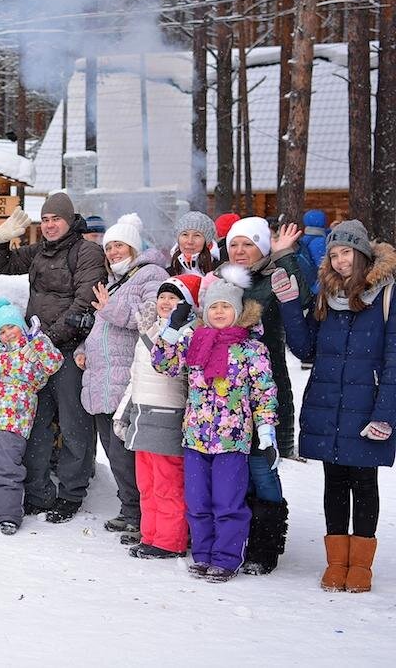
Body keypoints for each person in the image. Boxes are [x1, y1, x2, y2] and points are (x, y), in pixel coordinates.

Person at [275, 220, 395, 593]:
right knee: (335, 483)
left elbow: (394, 360)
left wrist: (384, 415)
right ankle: (336, 563)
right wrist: (291, 304)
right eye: (335, 255)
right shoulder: (327, 295)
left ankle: (360, 566)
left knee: (364, 481)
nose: (341, 261)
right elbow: (306, 349)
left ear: (361, 254)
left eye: (346, 253)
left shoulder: (388, 295)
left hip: (368, 405)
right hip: (328, 403)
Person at [151, 265, 278, 582]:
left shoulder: (250, 348)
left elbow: (265, 391)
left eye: (226, 306)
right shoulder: (194, 340)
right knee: (197, 501)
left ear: (237, 310)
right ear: (205, 311)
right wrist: (170, 329)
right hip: (195, 437)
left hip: (232, 441)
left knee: (228, 502)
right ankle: (204, 554)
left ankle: (226, 558)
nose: (219, 312)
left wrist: (266, 430)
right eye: (214, 307)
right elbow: (163, 364)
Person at [0, 193, 105, 522]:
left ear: (69, 221)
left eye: (57, 219)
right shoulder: (40, 250)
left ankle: (71, 492)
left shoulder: (87, 252)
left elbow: (84, 301)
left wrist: (48, 340)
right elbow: (4, 265)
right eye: (46, 220)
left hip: (67, 351)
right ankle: (38, 491)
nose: (50, 225)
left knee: (73, 424)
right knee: (36, 422)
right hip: (36, 352)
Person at [75, 213, 168, 538]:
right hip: (102, 380)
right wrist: (82, 351)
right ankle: (128, 509)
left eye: (120, 244)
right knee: (114, 453)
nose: (113, 251)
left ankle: (140, 514)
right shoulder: (117, 279)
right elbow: (103, 327)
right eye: (110, 246)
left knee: (125, 453)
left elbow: (150, 318)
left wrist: (109, 308)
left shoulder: (151, 274)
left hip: (127, 382)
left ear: (133, 245)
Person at [226, 216, 308, 573]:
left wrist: (284, 256)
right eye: (234, 244)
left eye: (248, 244)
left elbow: (300, 295)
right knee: (236, 470)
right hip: (228, 397)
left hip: (265, 390)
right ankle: (240, 538)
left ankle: (266, 544)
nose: (240, 251)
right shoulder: (223, 282)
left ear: (261, 246)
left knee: (262, 467)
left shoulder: (272, 277)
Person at [113, 275, 201, 558]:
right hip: (142, 415)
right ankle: (151, 534)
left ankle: (169, 541)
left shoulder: (186, 334)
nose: (165, 302)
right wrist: (123, 413)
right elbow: (135, 377)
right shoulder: (153, 331)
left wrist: (166, 332)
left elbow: (169, 368)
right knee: (147, 485)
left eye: (173, 298)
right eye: (162, 296)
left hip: (167, 416)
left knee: (167, 485)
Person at [0, 298, 63, 535]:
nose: (8, 333)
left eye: (11, 326)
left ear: (21, 326)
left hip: (14, 418)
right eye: (2, 330)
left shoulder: (32, 349)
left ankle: (9, 514)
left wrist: (38, 339)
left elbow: (54, 363)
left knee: (7, 466)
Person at [169, 211, 219, 277]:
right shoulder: (168, 273)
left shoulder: (217, 272)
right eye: (185, 234)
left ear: (207, 241)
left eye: (197, 235)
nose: (190, 241)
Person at [297, 209, 328, 295]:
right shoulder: (320, 242)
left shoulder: (304, 239)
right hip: (318, 287)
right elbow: (323, 266)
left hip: (307, 284)